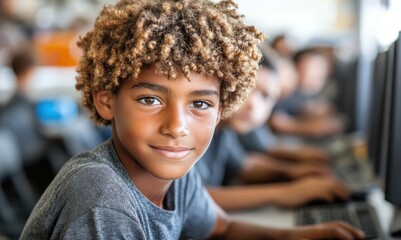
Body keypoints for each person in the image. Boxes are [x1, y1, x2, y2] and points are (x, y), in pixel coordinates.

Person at [20, 0, 365, 239]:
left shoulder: (172, 174)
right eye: (150, 99)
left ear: (221, 110)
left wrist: (300, 235)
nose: (177, 127)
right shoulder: (101, 198)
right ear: (106, 101)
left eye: (199, 104)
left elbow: (221, 229)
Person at [196, 54, 351, 211]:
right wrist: (285, 193)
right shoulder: (193, 130)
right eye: (249, 89)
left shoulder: (224, 132)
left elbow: (245, 166)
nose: (253, 105)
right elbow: (194, 199)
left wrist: (292, 173)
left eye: (266, 96)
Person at [269, 46, 345, 139]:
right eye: (315, 67)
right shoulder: (286, 88)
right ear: (298, 64)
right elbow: (276, 121)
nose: (319, 74)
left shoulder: (305, 93)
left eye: (323, 69)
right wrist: (312, 128)